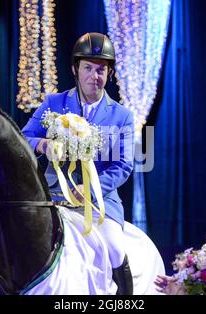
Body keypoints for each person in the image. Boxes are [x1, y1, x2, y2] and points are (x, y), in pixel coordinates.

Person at [22, 32, 134, 295]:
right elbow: (24, 137)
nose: (94, 76)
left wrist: (89, 189)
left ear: (109, 73)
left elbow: (123, 166)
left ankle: (126, 299)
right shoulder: (54, 103)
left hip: (99, 203)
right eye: (88, 68)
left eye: (100, 70)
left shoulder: (122, 116)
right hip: (53, 197)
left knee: (116, 248)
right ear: (75, 69)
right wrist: (43, 144)